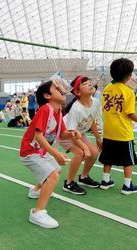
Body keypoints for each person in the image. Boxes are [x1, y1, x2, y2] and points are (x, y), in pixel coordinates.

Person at [20, 80, 80, 228]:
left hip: (40, 151)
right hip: (30, 151)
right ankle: (37, 213)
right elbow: (38, 136)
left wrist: (72, 134)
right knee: (53, 175)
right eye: (56, 88)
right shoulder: (45, 110)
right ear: (47, 95)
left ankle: (35, 191)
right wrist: (56, 153)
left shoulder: (59, 112)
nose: (62, 89)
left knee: (57, 170)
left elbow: (62, 134)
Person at [98, 58, 137, 195]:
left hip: (108, 131)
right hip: (123, 133)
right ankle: (127, 185)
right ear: (129, 76)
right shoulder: (128, 92)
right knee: (128, 160)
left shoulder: (107, 89)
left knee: (108, 158)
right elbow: (130, 113)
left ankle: (105, 181)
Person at [59, 76, 102, 195]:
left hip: (79, 133)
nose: (90, 84)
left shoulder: (96, 102)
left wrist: (98, 138)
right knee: (80, 153)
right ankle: (69, 182)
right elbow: (72, 134)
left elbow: (91, 120)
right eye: (85, 84)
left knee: (94, 152)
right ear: (77, 92)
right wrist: (85, 147)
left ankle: (83, 177)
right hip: (66, 133)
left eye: (90, 82)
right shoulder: (76, 109)